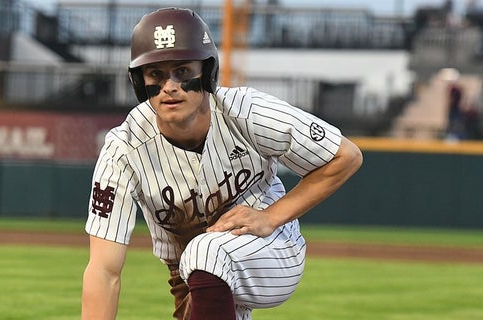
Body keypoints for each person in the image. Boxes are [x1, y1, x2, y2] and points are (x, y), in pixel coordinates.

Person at [82, 7, 363, 320]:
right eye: (156, 75)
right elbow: (104, 271)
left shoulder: (246, 111)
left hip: (272, 249)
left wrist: (271, 216)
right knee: (204, 259)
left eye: (183, 72)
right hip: (194, 278)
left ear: (206, 73)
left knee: (206, 252)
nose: (170, 86)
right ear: (139, 82)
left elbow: (345, 156)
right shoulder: (124, 149)